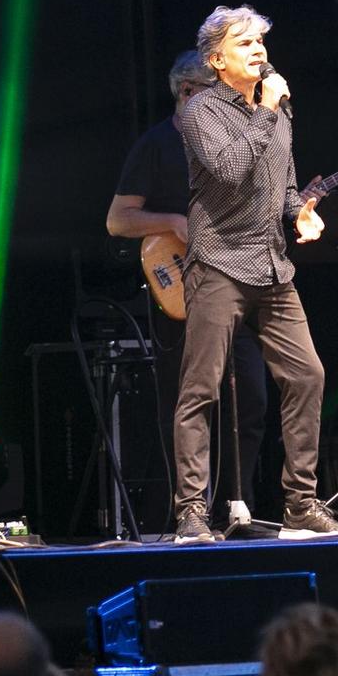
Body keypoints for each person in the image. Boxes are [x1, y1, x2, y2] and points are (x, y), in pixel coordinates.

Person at [171, 4, 338, 543]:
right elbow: (229, 172)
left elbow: (283, 183)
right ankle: (191, 513)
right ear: (216, 59)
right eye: (244, 43)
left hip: (272, 265)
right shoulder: (199, 110)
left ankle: (300, 504)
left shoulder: (279, 112)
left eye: (260, 42)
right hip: (220, 261)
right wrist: (266, 112)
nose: (258, 50)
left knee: (308, 375)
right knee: (200, 390)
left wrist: (302, 210)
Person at [107, 50, 268, 531]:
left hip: (233, 282)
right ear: (188, 92)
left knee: (253, 399)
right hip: (181, 288)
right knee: (189, 400)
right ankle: (188, 513)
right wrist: (175, 221)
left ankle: (239, 508)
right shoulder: (156, 145)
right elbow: (118, 220)